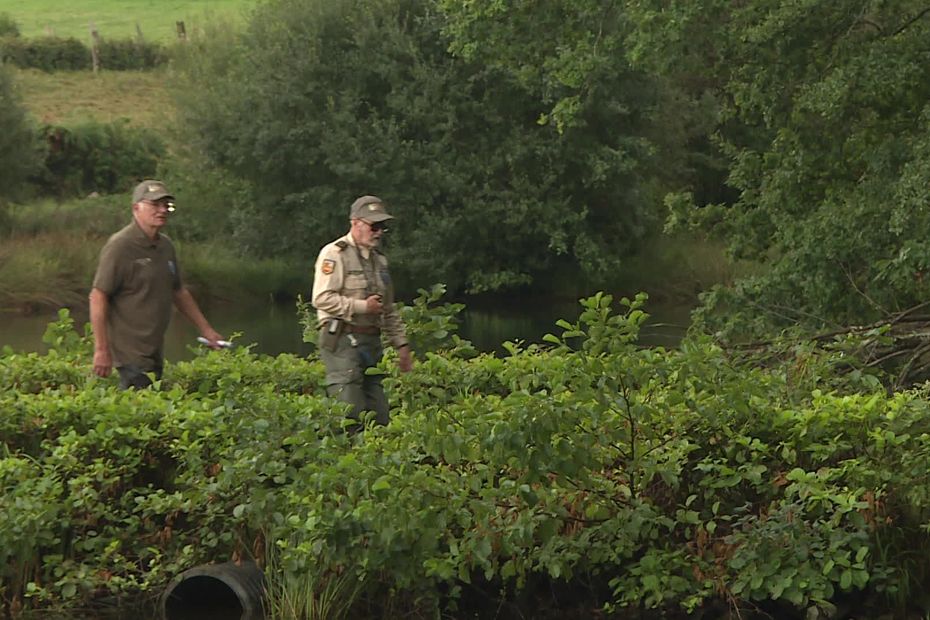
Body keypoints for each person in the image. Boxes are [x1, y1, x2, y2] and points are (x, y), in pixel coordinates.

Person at [89, 180, 224, 389]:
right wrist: (101, 350)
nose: (162, 211)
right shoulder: (120, 246)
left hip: (154, 348)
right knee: (138, 412)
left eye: (166, 206)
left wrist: (207, 330)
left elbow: (178, 291)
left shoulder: (166, 246)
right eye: (155, 205)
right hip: (129, 353)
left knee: (154, 407)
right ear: (136, 208)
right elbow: (98, 296)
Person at [312, 195, 413, 426]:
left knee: (380, 415)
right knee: (350, 412)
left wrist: (402, 345)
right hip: (341, 338)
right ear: (355, 222)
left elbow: (388, 309)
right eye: (374, 226)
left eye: (382, 227)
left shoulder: (380, 261)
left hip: (371, 342)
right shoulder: (334, 254)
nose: (378, 232)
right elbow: (321, 298)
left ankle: (376, 458)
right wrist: (361, 306)